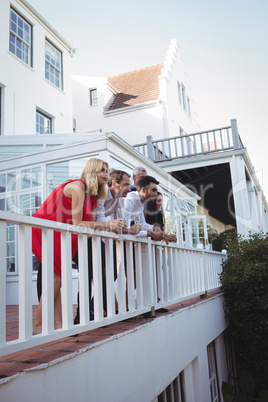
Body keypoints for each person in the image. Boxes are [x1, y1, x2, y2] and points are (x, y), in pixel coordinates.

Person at [32, 158, 126, 332]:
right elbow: (77, 223)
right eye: (101, 170)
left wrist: (110, 225)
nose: (106, 174)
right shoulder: (78, 187)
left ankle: (58, 325)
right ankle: (39, 325)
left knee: (57, 278)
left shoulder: (92, 195)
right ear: (91, 171)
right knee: (56, 278)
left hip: (65, 233)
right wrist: (108, 225)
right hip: (48, 230)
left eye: (106, 170)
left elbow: (88, 225)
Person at [74, 170, 140, 324]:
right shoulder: (102, 194)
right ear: (113, 184)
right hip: (85, 238)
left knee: (110, 273)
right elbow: (101, 218)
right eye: (125, 184)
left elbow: (120, 222)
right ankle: (82, 315)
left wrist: (128, 229)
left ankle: (94, 309)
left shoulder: (119, 200)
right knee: (89, 276)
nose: (129, 188)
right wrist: (118, 228)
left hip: (101, 239)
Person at [124, 175, 166, 241]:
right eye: (153, 190)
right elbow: (126, 230)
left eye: (156, 191)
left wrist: (154, 228)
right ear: (143, 190)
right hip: (107, 238)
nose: (156, 194)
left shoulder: (140, 202)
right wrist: (150, 233)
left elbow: (142, 225)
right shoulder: (131, 198)